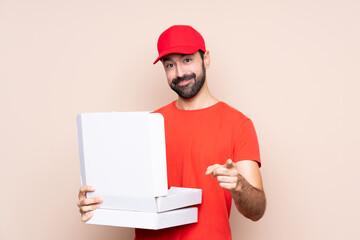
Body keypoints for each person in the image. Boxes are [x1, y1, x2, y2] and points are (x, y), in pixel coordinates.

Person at [77, 25, 266, 240]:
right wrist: (95, 201)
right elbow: (124, 192)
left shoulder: (238, 124)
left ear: (206, 59)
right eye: (170, 65)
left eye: (187, 60)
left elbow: (257, 210)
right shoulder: (146, 125)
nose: (180, 73)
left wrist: (239, 185)